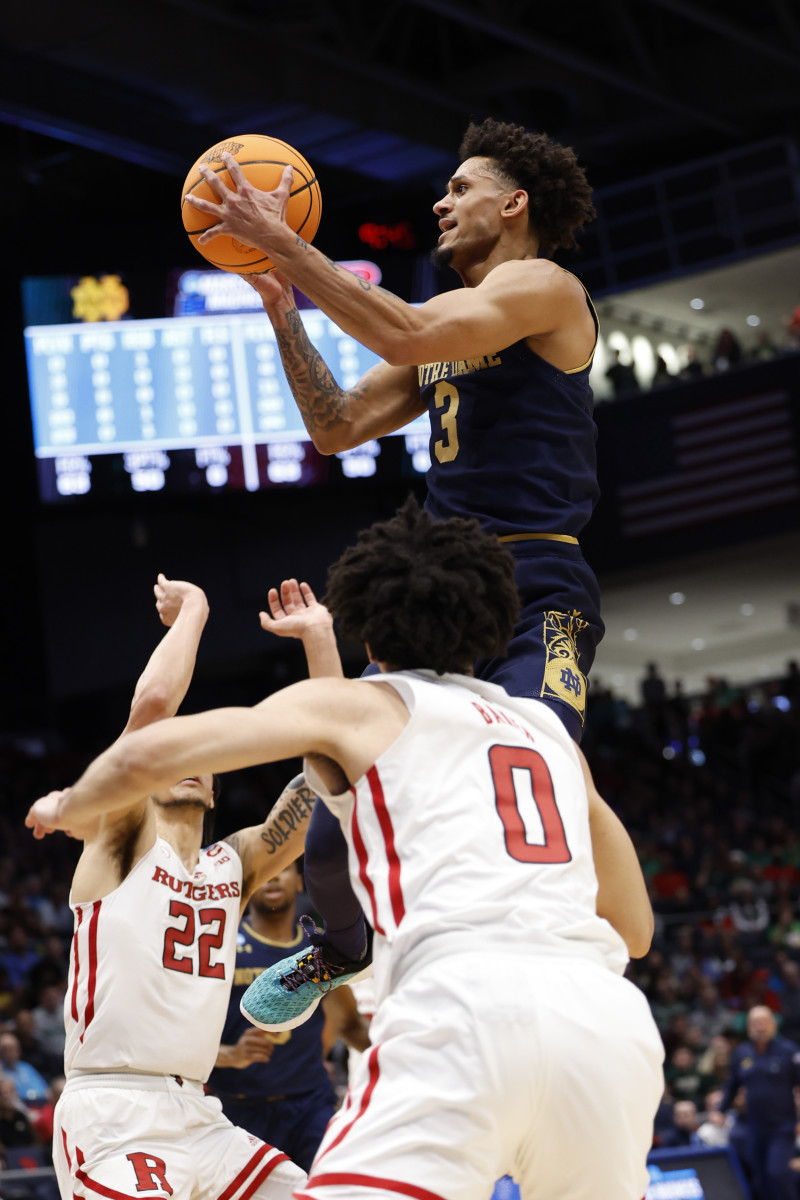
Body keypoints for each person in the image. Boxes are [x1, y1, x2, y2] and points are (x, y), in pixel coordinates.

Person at [28, 500, 665, 1200]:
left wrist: (68, 804)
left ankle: (342, 947)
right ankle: (341, 946)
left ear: (374, 639)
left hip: (453, 1004)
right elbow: (635, 932)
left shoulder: (246, 843)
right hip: (604, 1016)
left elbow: (273, 782)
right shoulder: (548, 732)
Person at [186, 117, 606, 992]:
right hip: (440, 586)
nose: (439, 202)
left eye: (461, 188)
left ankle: (558, 946)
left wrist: (285, 244)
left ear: (514, 203)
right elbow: (334, 427)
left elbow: (408, 334)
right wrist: (280, 307)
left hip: (537, 578)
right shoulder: (453, 324)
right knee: (342, 782)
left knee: (539, 761)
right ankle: (342, 942)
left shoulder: (545, 287)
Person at [25, 574, 308, 1200]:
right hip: (115, 1114)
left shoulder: (230, 866)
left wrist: (324, 647)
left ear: (213, 787)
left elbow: (325, 781)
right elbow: (151, 711)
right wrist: (197, 609)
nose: (180, 757)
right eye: (167, 753)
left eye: (196, 754)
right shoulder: (121, 836)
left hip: (201, 1117)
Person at [209, 865, 370, 1171]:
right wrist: (229, 1055)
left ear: (300, 881)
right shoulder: (223, 945)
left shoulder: (319, 950)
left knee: (336, 1184)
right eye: (265, 869)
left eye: (284, 869)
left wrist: (406, 1054)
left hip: (309, 1105)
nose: (273, 876)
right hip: (236, 1107)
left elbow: (349, 1025)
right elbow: (180, 1032)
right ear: (250, 883)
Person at [717, 1005, 800, 1200]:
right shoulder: (741, 1053)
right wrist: (720, 1110)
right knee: (759, 1177)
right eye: (755, 1023)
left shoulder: (789, 1051)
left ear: (773, 1025)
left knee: (777, 1172)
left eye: (763, 1022)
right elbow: (732, 1085)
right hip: (753, 1126)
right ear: (748, 1027)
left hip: (782, 1126)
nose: (760, 1027)